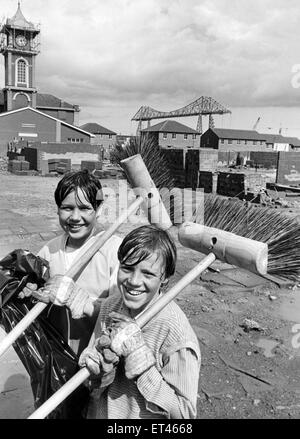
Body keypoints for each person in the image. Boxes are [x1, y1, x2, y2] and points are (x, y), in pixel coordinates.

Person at [41, 225, 201, 419]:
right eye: (127, 268)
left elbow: (184, 416)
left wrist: (142, 366)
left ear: (165, 278)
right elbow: (95, 384)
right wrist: (99, 372)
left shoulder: (175, 333)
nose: (133, 281)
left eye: (148, 274)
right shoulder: (112, 306)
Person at [20, 169, 122, 356]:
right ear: (57, 209)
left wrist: (81, 301)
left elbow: (120, 313)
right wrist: (30, 292)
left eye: (84, 208)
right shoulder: (49, 251)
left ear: (98, 210)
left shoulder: (114, 252)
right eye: (67, 208)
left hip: (94, 360)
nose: (75, 217)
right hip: (53, 357)